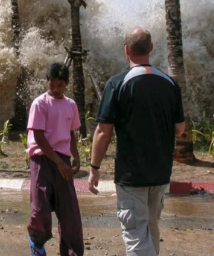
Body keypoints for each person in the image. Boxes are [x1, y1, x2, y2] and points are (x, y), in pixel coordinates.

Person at [88, 28, 185, 256]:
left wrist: (94, 168)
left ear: (126, 51)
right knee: (151, 228)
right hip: (160, 173)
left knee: (135, 235)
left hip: (131, 174)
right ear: (151, 49)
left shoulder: (117, 83)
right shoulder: (170, 84)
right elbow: (180, 129)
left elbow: (103, 131)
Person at [26, 62, 84, 256]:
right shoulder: (40, 103)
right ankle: (36, 243)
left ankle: (71, 251)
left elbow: (71, 134)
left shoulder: (70, 105)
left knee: (69, 212)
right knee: (41, 207)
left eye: (60, 85)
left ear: (66, 84)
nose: (55, 89)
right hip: (42, 160)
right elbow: (40, 137)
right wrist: (58, 163)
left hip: (63, 160)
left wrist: (75, 157)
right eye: (52, 84)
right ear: (47, 82)